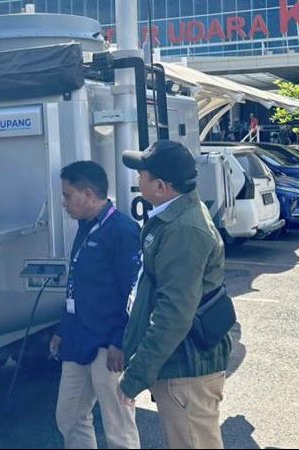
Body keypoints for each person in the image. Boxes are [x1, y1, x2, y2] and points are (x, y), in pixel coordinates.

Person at [119, 140, 232, 449]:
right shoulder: (176, 215)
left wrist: (136, 376)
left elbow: (173, 314)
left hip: (186, 367)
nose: (137, 178)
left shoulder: (184, 229)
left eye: (141, 173)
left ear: (160, 186)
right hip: (182, 362)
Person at [51, 161, 142, 449]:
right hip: (78, 339)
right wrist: (62, 330)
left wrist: (120, 341)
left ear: (88, 194)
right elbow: (76, 285)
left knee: (118, 428)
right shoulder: (85, 226)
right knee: (69, 416)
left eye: (67, 195)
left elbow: (134, 292)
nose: (64, 203)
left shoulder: (122, 230)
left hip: (109, 346)